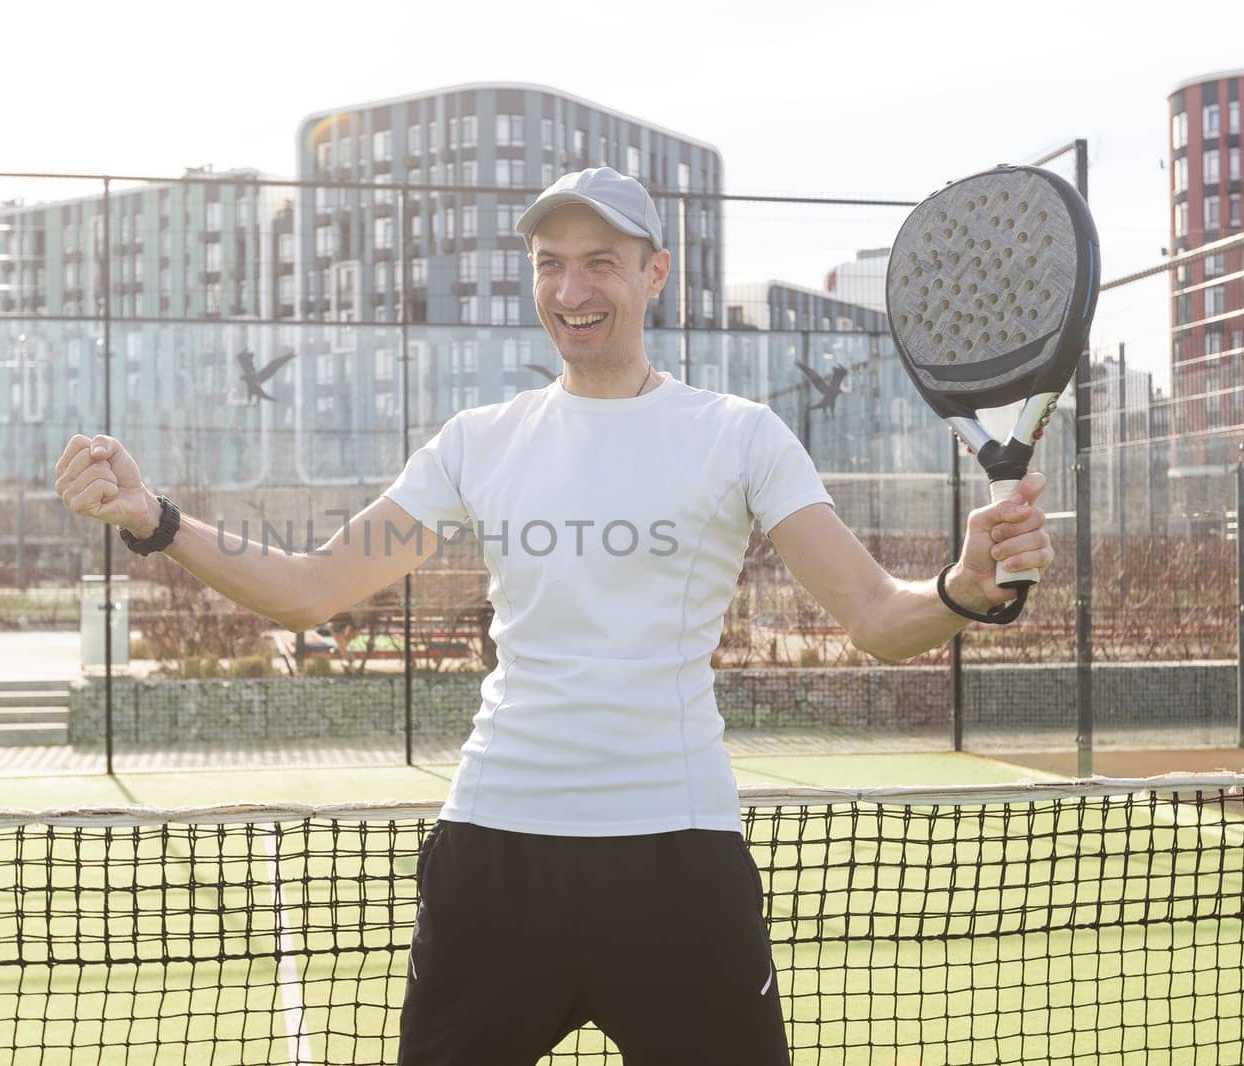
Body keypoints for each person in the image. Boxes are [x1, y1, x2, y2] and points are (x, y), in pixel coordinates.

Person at [52, 166, 1054, 1064]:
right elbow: (312, 586)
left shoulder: (739, 436)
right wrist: (156, 519)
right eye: (549, 265)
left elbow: (878, 617)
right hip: (494, 857)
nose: (571, 292)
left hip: (677, 862)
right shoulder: (476, 442)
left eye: (600, 264)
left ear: (655, 274)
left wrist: (966, 588)